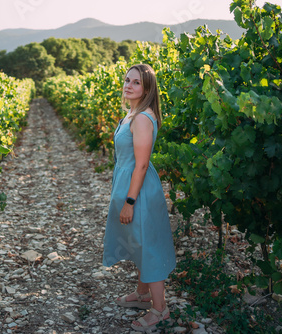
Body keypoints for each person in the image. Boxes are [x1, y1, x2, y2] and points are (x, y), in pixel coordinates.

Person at [102, 64, 176, 332]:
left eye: (136, 82)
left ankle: (160, 309)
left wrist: (130, 202)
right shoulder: (131, 114)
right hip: (128, 184)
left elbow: (142, 165)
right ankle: (143, 295)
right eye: (126, 80)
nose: (128, 85)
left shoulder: (143, 118)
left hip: (140, 191)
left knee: (148, 246)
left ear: (146, 89)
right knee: (137, 242)